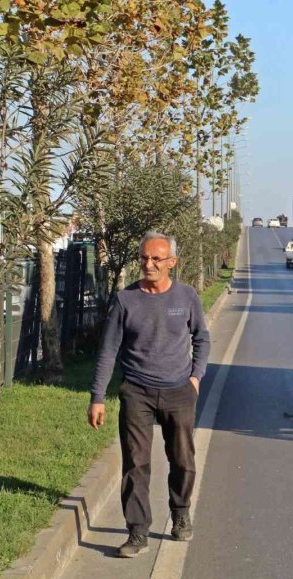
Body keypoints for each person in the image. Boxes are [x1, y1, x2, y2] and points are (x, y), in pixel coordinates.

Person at [88, 231, 211, 558]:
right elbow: (108, 351)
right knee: (136, 463)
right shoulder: (125, 300)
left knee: (183, 460)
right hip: (137, 393)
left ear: (172, 262)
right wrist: (97, 397)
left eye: (157, 258)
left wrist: (196, 377)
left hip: (179, 391)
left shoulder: (186, 297)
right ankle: (137, 532)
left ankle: (180, 511)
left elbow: (202, 339)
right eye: (144, 257)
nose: (148, 264)